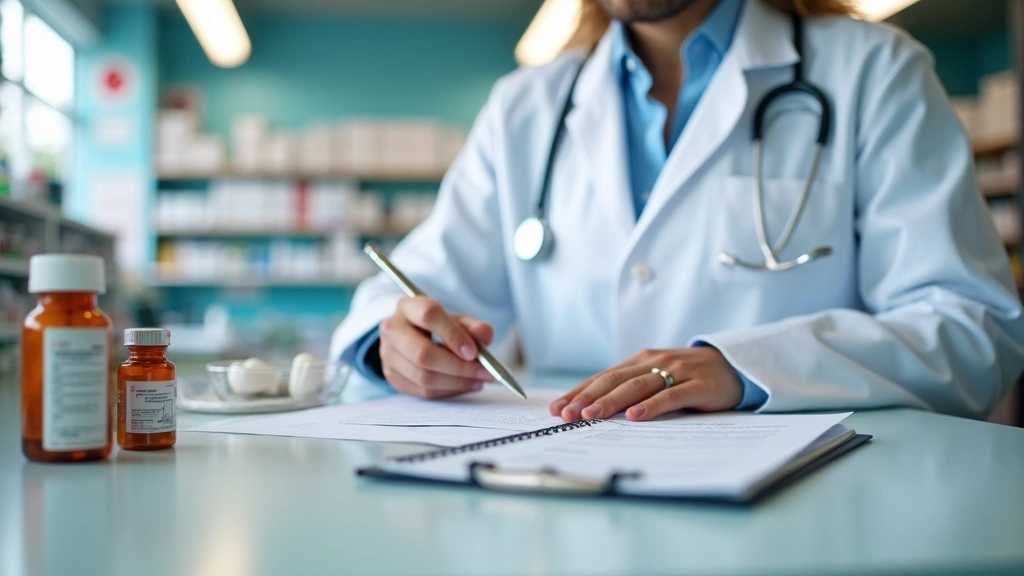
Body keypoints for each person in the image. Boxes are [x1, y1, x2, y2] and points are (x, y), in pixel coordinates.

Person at [331, 0, 1024, 422]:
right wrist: (393, 347)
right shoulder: (526, 108)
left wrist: (751, 368)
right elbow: (412, 293)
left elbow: (971, 326)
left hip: (812, 508)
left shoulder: (876, 72)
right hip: (563, 499)